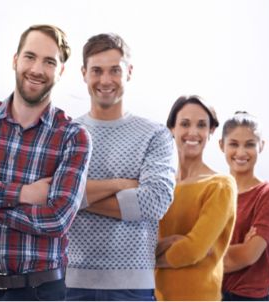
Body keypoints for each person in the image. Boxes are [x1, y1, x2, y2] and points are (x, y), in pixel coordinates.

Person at [0, 24, 91, 301]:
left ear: (61, 71)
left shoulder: (74, 137)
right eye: (30, 57)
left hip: (41, 291)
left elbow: (57, 219)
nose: (37, 69)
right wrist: (25, 194)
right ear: (15, 59)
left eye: (49, 62)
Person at [64, 33, 177, 301]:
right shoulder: (66, 133)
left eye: (114, 70)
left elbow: (155, 202)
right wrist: (121, 184)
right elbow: (52, 199)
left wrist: (76, 197)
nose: (105, 80)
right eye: (97, 71)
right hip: (71, 284)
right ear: (83, 73)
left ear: (129, 72)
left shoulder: (155, 134)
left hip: (133, 287)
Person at [154, 95, 236, 300]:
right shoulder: (161, 186)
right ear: (172, 129)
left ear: (211, 131)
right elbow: (141, 244)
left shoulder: (220, 185)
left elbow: (193, 250)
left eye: (201, 125)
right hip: (156, 295)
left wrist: (150, 257)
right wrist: (169, 246)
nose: (193, 132)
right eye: (184, 124)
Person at [219, 111, 269, 301]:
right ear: (221, 145)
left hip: (249, 297)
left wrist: (202, 256)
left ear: (261, 146)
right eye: (233, 144)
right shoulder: (214, 190)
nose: (241, 152)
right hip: (211, 293)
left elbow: (247, 256)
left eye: (249, 144)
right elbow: (193, 246)